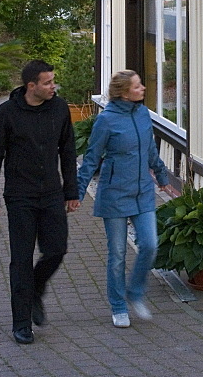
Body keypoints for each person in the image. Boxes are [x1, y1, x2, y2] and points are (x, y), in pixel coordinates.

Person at [0, 59, 79, 345]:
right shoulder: (8, 113)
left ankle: (36, 288)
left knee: (57, 249)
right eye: (47, 82)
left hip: (52, 194)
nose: (53, 86)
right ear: (31, 86)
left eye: (53, 81)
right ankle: (21, 323)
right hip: (20, 197)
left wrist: (71, 191)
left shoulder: (59, 109)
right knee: (21, 260)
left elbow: (68, 151)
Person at [77, 70, 170, 328]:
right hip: (114, 194)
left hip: (143, 191)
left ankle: (135, 293)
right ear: (123, 92)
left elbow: (150, 149)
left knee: (150, 245)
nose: (143, 88)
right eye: (138, 85)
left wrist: (161, 174)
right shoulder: (106, 121)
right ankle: (118, 306)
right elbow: (92, 157)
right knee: (117, 254)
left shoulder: (142, 113)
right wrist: (77, 191)